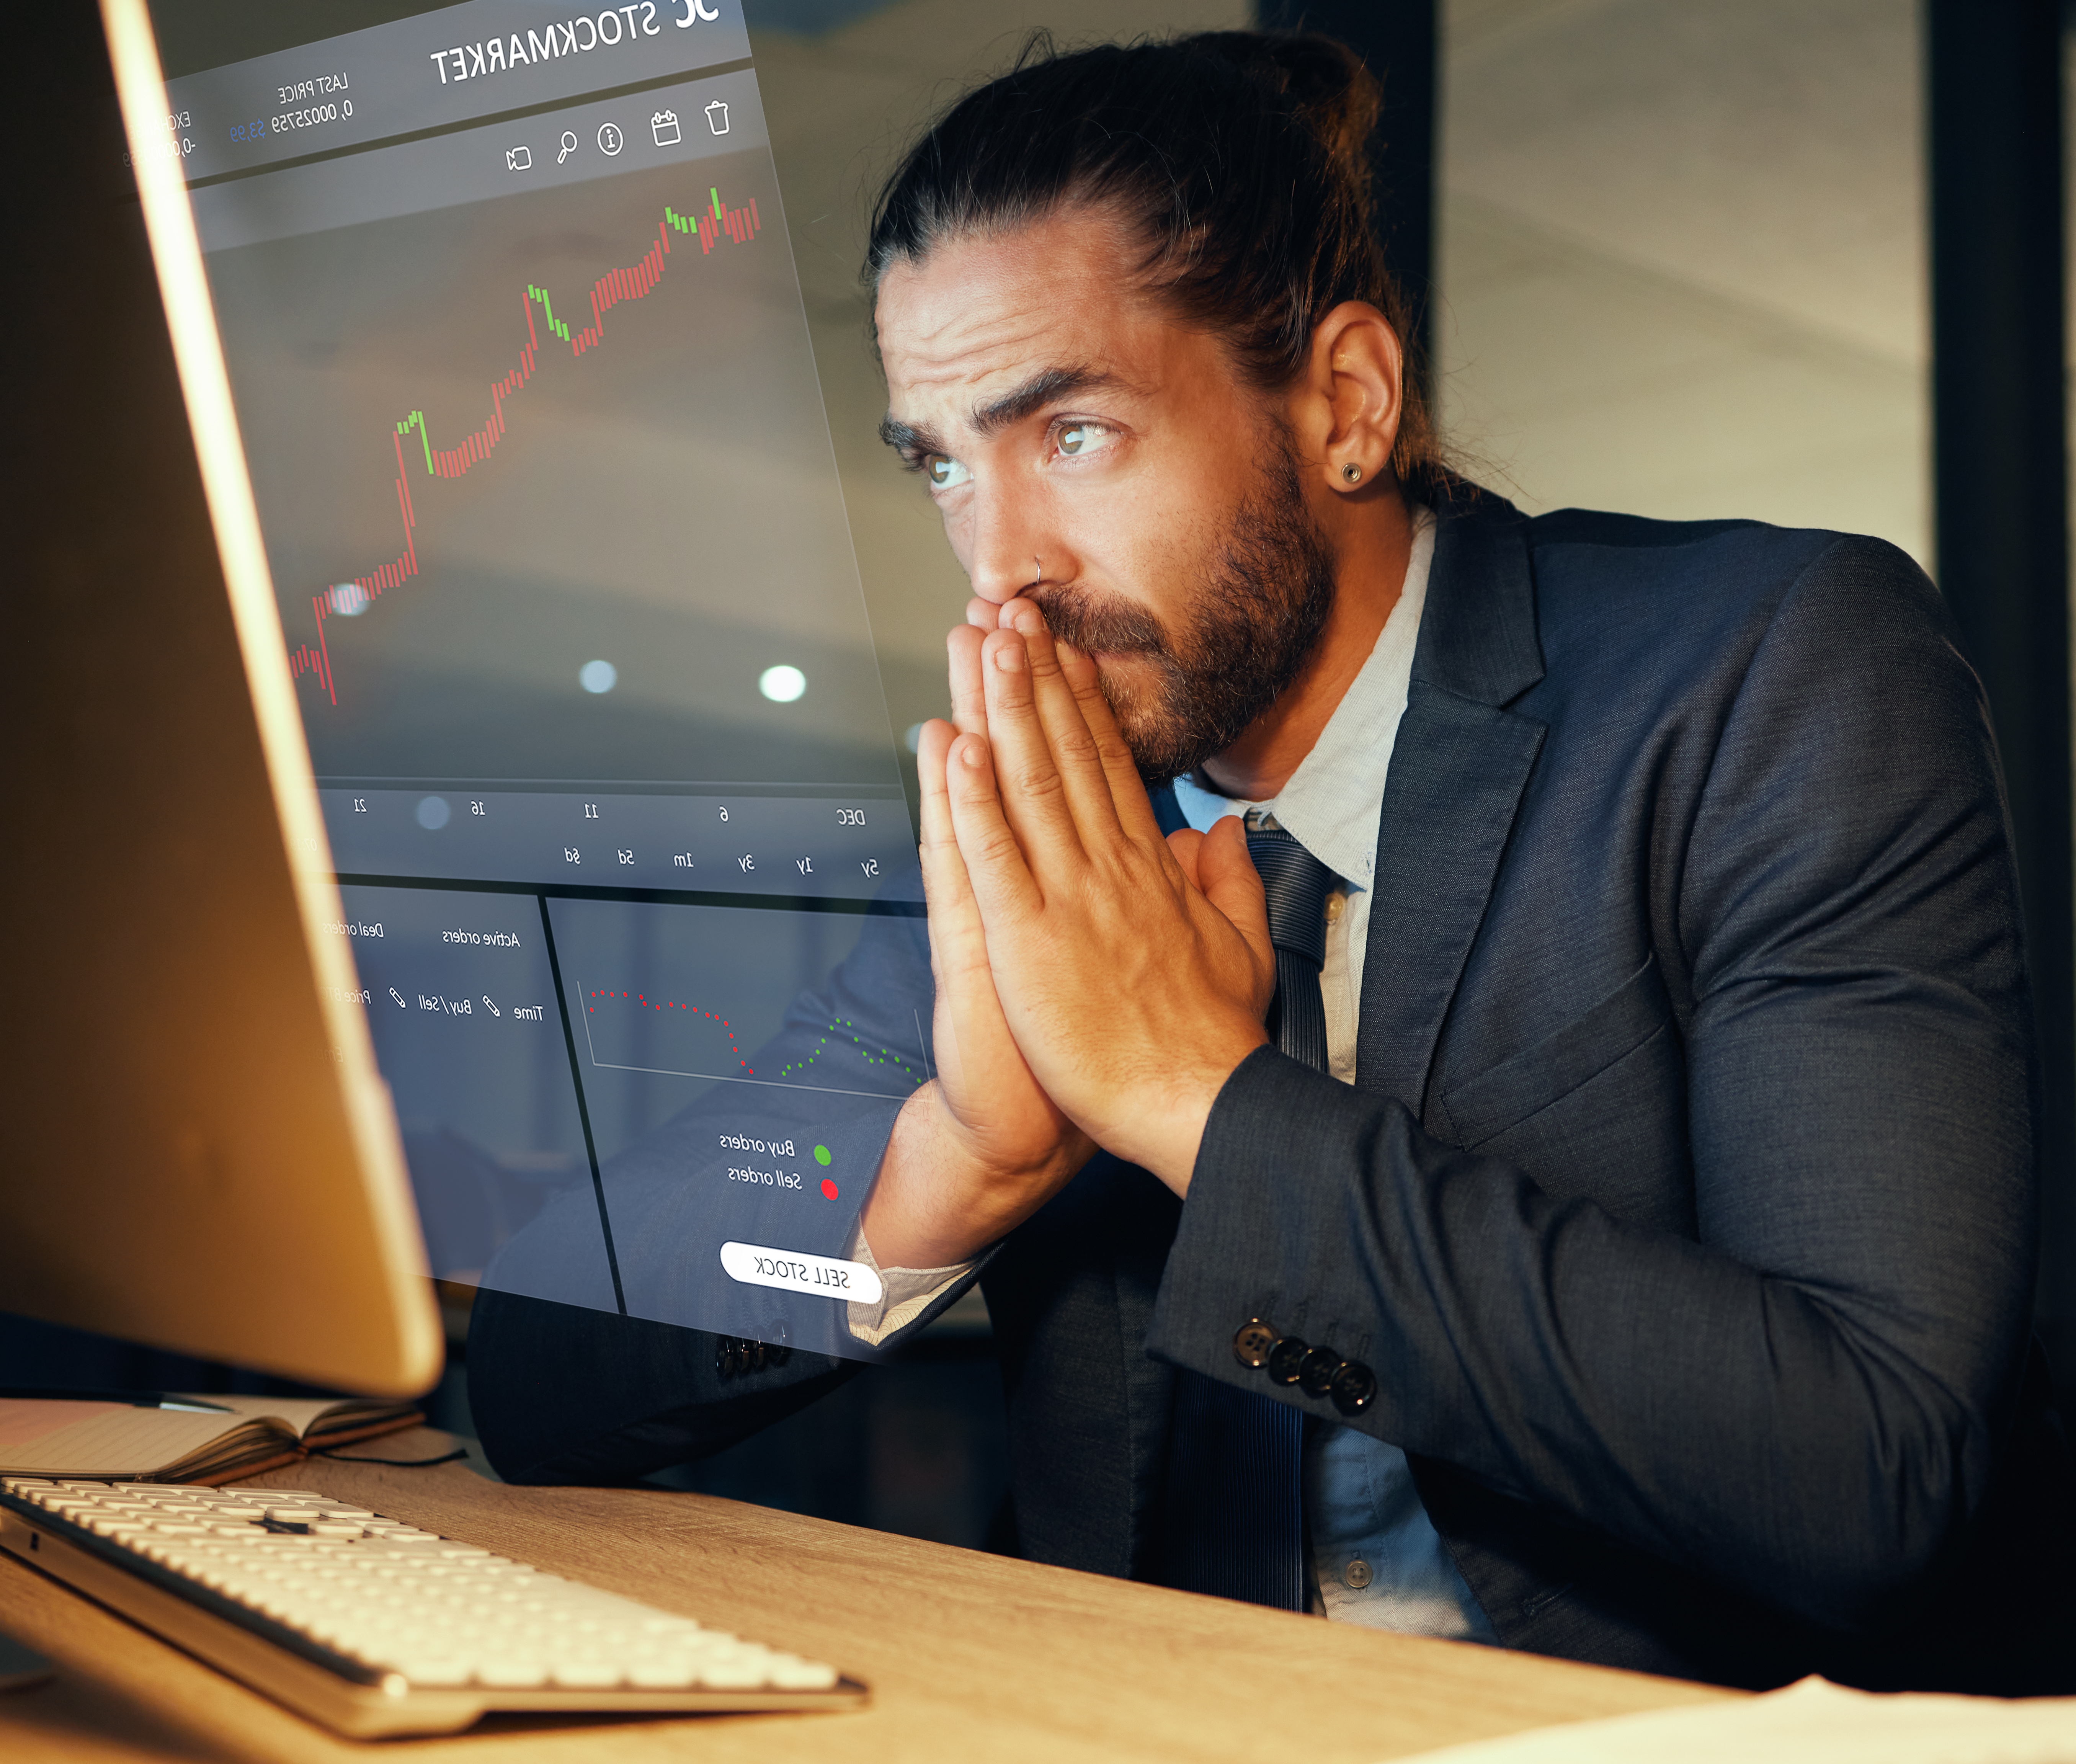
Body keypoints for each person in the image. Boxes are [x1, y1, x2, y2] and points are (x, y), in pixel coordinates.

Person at [469, 30, 2066, 1689]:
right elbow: (540, 1367)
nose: (996, 566)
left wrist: (1192, 1102)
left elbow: (1884, 1471)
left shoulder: (1771, 671)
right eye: (943, 461)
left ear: (1347, 406)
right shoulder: (1052, 825)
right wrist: (947, 1163)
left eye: (1071, 433)